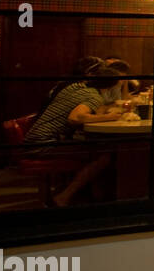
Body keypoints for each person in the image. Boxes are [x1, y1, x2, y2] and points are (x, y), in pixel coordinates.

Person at [24, 65, 123, 206]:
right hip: (44, 144)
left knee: (99, 148)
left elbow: (86, 110)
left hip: (34, 140)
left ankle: (94, 192)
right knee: (104, 155)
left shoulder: (76, 87)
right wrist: (110, 117)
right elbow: (75, 117)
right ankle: (64, 196)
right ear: (110, 87)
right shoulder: (94, 96)